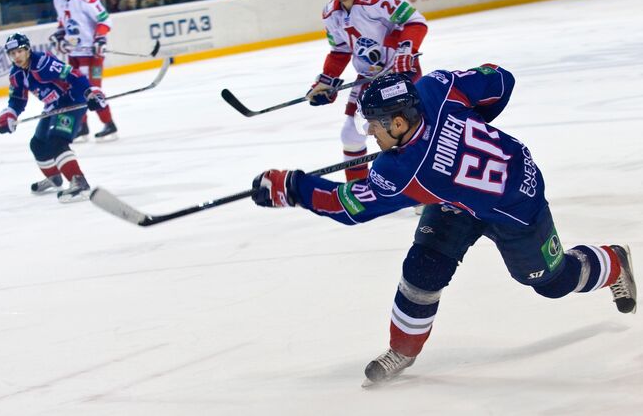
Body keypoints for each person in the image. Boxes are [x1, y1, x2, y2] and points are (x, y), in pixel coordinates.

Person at [251, 66, 637, 386]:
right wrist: (468, 128)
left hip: (518, 207)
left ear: (399, 121)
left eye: (374, 126)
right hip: (465, 196)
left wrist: (291, 187)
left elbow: (346, 206)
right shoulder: (437, 86)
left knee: (552, 282)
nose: (370, 134)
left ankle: (613, 261)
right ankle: (403, 349)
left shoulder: (402, 171)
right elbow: (500, 80)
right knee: (423, 270)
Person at [306, 0, 428, 181]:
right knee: (351, 134)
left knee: (407, 134)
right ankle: (358, 188)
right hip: (368, 77)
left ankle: (422, 194)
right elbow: (340, 51)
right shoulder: (330, 13)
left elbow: (415, 22)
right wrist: (326, 81)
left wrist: (405, 51)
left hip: (397, 73)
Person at [0, 33, 107, 203]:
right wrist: (10, 113)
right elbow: (17, 100)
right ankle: (55, 177)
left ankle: (79, 183)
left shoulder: (42, 63)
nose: (16, 56)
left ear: (27, 50)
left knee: (57, 140)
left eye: (19, 51)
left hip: (71, 99)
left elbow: (73, 74)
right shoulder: (16, 74)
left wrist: (90, 92)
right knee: (38, 144)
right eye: (12, 53)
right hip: (53, 106)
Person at [50, 0, 118, 142]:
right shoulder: (58, 0)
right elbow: (63, 22)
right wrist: (59, 34)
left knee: (92, 90)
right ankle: (82, 126)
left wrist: (100, 39)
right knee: (73, 89)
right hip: (74, 53)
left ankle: (109, 124)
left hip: (92, 53)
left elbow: (105, 20)